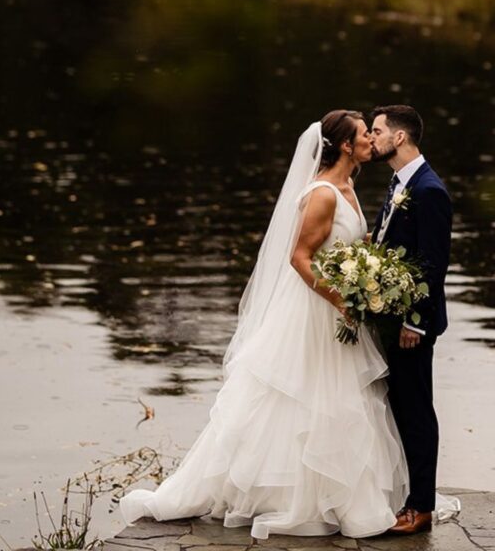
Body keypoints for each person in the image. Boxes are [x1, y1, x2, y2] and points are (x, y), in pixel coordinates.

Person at [119, 110, 410, 538]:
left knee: (340, 399)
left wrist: (371, 267)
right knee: (303, 398)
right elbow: (300, 257)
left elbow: (341, 245)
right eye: (365, 134)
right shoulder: (323, 193)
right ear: (347, 145)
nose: (372, 139)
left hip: (337, 312)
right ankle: (286, 498)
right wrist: (340, 298)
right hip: (313, 312)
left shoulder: (348, 186)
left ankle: (337, 497)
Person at [369, 105, 452, 535]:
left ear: (399, 137)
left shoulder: (429, 190)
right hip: (391, 320)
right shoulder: (400, 182)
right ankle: (406, 496)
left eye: (377, 130)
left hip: (411, 328)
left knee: (417, 411)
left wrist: (415, 323)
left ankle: (421, 508)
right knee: (400, 408)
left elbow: (433, 266)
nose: (371, 137)